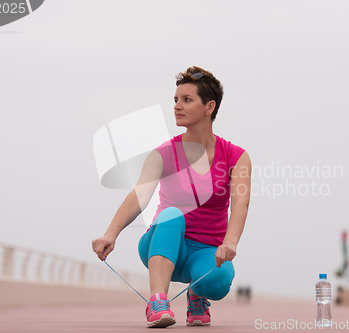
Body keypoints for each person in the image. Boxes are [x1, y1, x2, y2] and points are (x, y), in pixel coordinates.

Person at [92, 66, 251, 328]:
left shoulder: (236, 156)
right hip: (161, 246)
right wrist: (111, 233)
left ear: (209, 107)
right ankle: (157, 301)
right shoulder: (164, 153)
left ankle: (196, 294)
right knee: (171, 215)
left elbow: (241, 204)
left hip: (206, 251)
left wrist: (230, 242)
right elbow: (140, 195)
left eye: (187, 100)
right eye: (176, 100)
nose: (177, 106)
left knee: (219, 282)